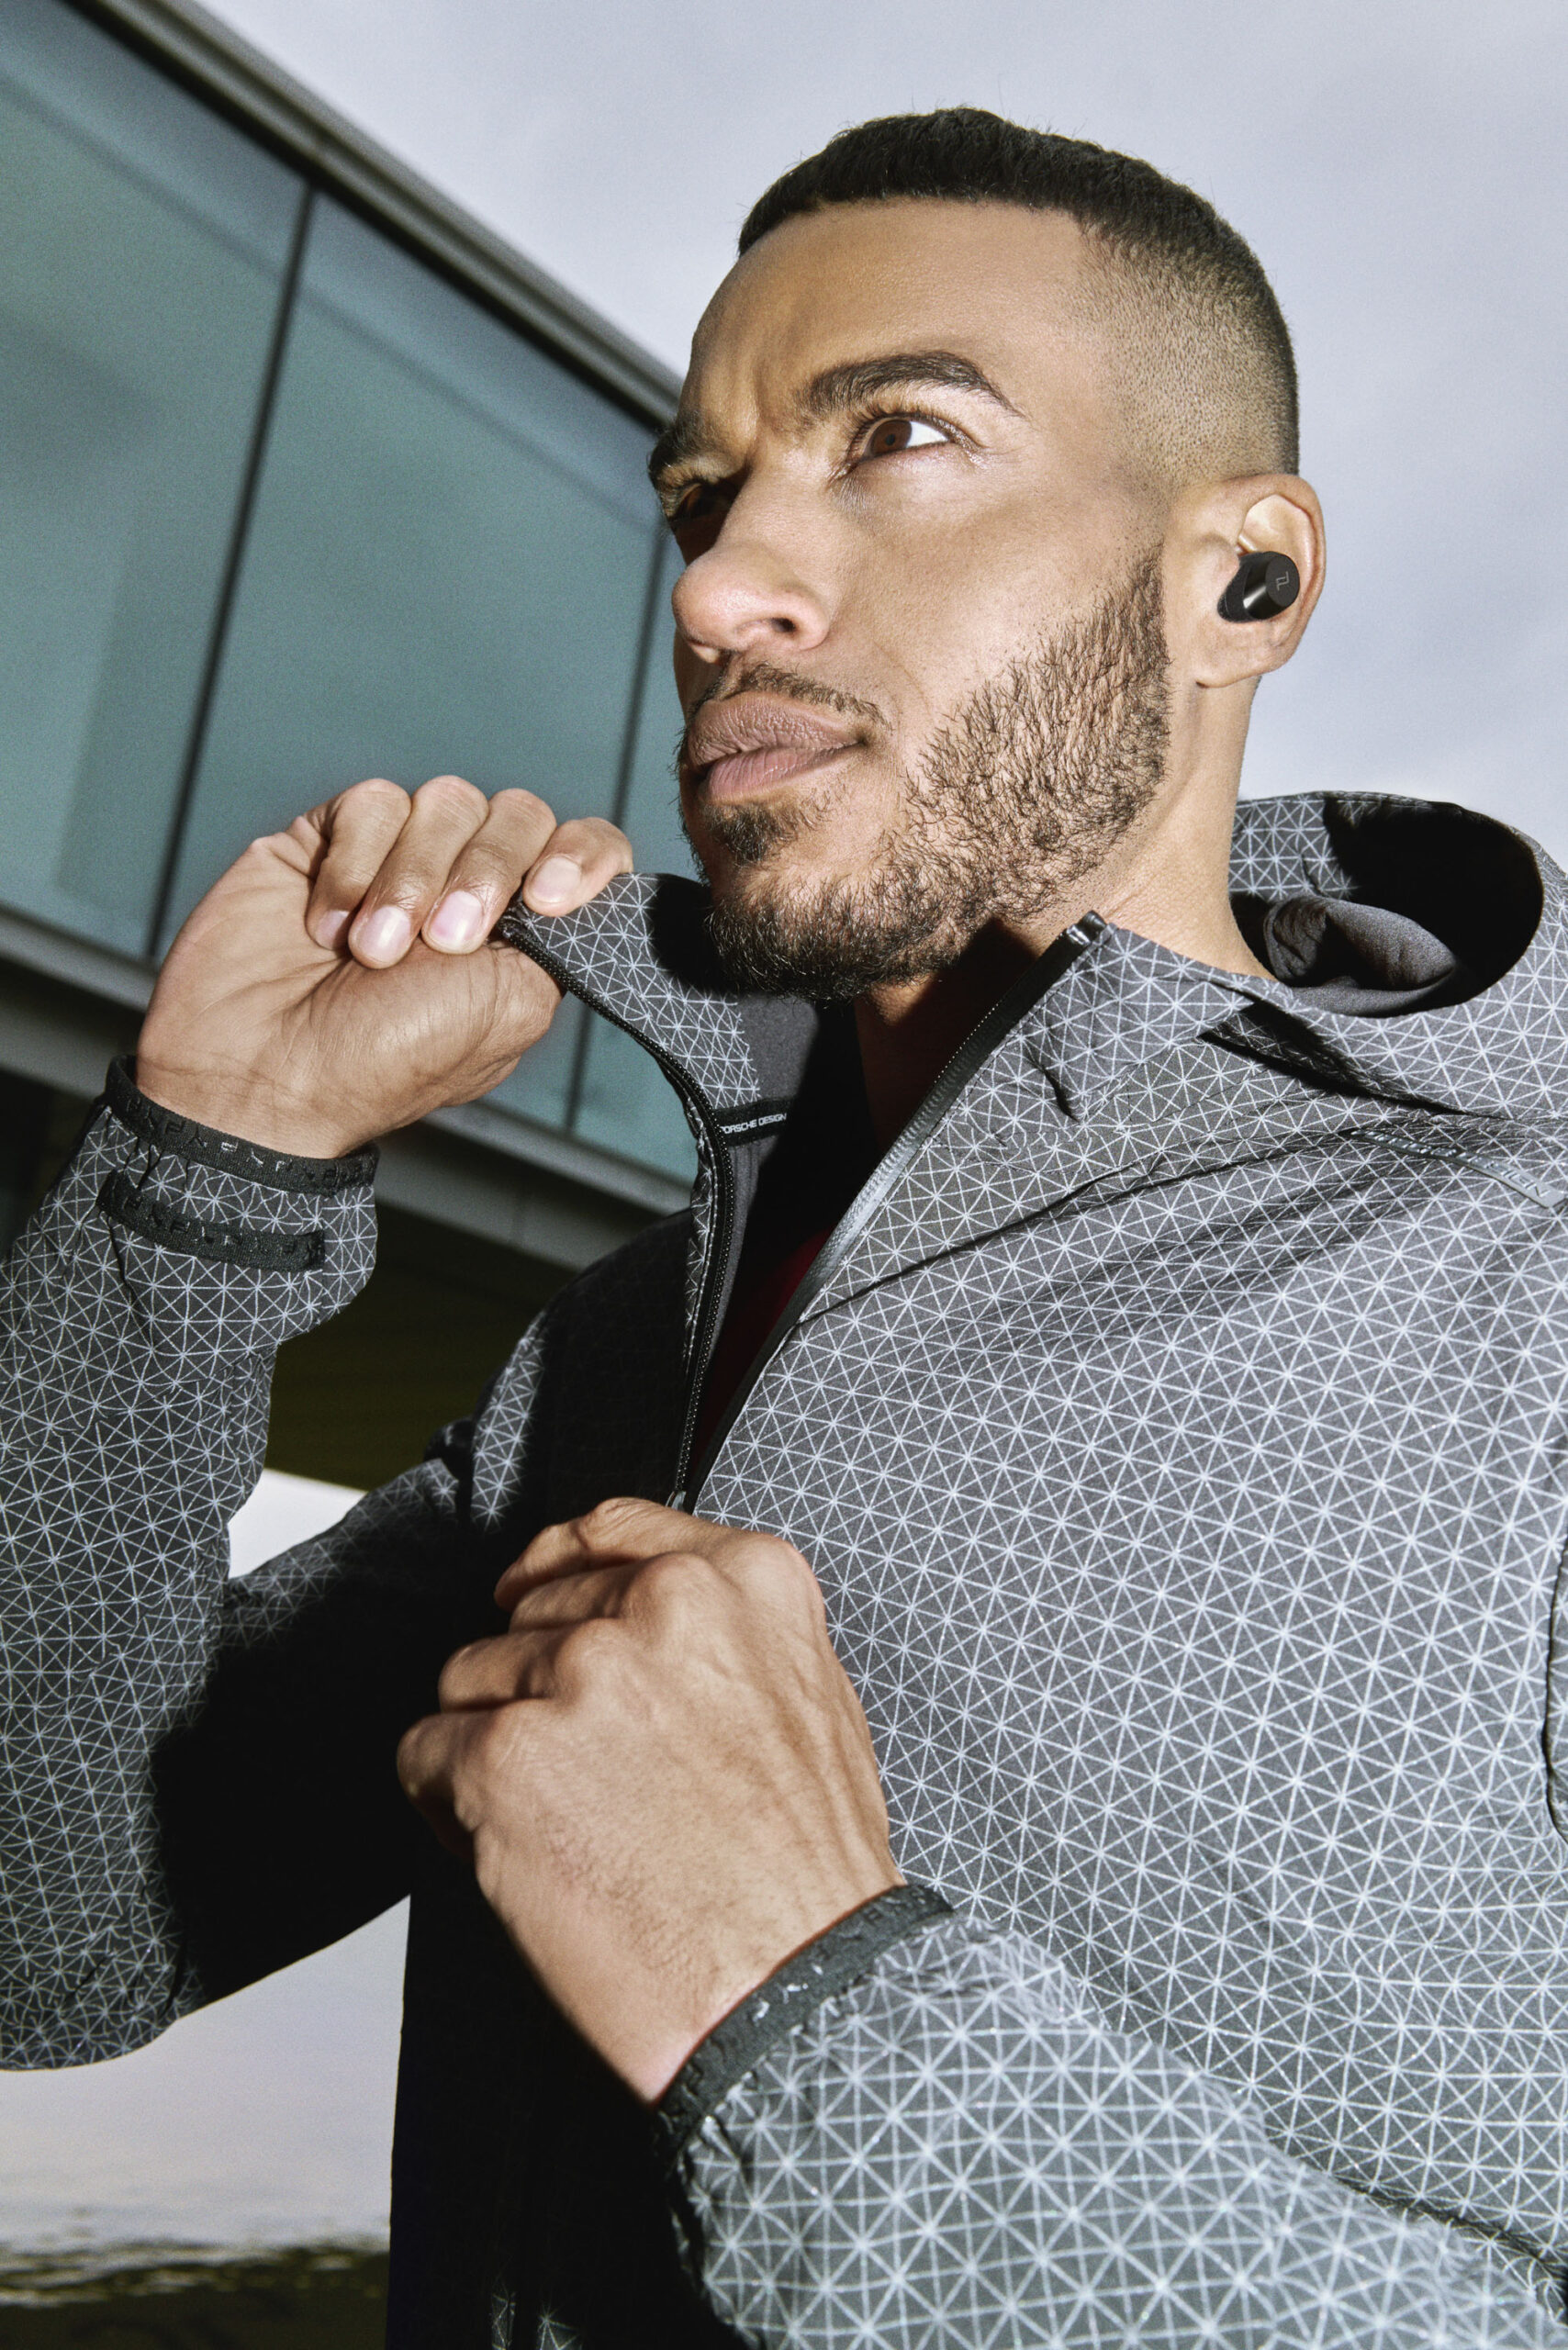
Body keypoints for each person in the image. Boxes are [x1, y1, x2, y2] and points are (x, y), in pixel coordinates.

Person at [3, 103, 1566, 2348]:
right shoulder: (622, 1340)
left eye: (897, 436)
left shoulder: (1522, 1302)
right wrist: (205, 1170)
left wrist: (794, 1998)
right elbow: (47, 1933)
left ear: (1238, 578)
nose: (719, 586)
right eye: (697, 497)